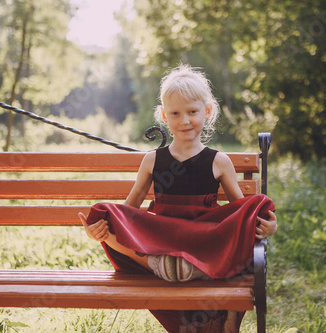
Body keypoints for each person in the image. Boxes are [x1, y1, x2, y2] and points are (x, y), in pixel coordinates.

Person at [78, 64, 277, 332]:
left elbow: (239, 211)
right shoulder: (152, 161)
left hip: (204, 242)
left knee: (257, 204)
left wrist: (267, 225)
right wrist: (101, 229)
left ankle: (176, 268)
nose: (184, 120)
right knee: (105, 211)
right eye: (175, 113)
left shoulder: (218, 161)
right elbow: (128, 213)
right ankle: (167, 265)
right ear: (164, 115)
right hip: (162, 240)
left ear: (206, 111)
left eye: (192, 112)